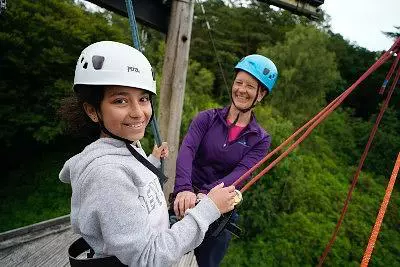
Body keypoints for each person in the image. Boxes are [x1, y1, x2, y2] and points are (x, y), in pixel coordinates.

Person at [59, 41, 237, 267]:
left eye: (143, 99)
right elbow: (148, 257)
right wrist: (208, 210)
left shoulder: (127, 145)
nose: (138, 113)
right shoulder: (106, 175)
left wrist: (153, 160)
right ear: (92, 110)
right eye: (120, 100)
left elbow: (137, 192)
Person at [173, 54, 278, 267]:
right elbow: (187, 150)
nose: (241, 89)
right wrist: (183, 189)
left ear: (261, 94)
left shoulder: (260, 138)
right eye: (238, 82)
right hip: (188, 198)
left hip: (220, 209)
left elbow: (242, 172)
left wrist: (209, 195)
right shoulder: (206, 118)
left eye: (250, 86)